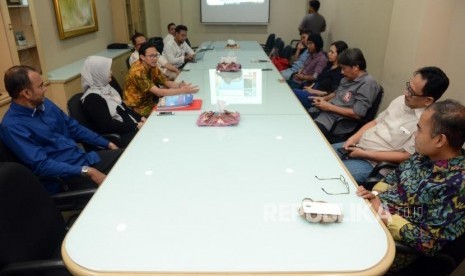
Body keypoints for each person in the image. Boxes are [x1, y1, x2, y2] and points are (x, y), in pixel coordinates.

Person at [357, 99, 465, 271]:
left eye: (420, 129)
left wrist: (383, 215)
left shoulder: (457, 184)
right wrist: (374, 196)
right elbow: (394, 177)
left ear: (439, 140)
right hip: (371, 213)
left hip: (390, 246)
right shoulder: (424, 154)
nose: (415, 134)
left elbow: (429, 243)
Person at [0, 65, 123, 194]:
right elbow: (42, 165)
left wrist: (107, 143)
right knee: (120, 185)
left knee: (129, 158)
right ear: (26, 93)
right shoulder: (13, 126)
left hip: (84, 159)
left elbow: (74, 128)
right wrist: (87, 171)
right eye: (41, 86)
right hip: (66, 178)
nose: (45, 89)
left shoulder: (44, 103)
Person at [333, 67, 449, 183]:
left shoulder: (425, 123)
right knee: (321, 154)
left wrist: (365, 154)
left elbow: (406, 156)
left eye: (412, 92)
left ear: (428, 100)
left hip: (374, 164)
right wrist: (353, 138)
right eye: (408, 86)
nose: (405, 93)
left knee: (333, 174)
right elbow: (375, 122)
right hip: (357, 146)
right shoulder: (400, 100)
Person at [311, 48, 380, 139]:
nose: (342, 72)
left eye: (344, 68)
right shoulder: (347, 78)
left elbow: (357, 114)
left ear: (355, 67)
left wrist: (328, 106)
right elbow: (337, 93)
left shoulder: (367, 84)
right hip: (325, 114)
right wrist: (324, 99)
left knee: (307, 132)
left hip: (336, 123)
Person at [81, 56, 146, 148]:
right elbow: (108, 126)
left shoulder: (107, 88)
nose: (111, 72)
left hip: (131, 127)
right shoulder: (92, 99)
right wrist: (135, 125)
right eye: (107, 70)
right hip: (121, 136)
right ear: (97, 73)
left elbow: (124, 109)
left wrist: (141, 118)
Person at [124, 42, 199, 117]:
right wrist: (182, 91)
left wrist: (179, 85)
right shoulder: (137, 71)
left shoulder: (151, 65)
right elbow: (158, 92)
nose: (155, 58)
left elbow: (165, 82)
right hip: (137, 107)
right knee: (172, 114)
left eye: (156, 55)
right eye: (151, 56)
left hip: (149, 101)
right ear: (142, 57)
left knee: (178, 109)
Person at [292, 40, 348, 110]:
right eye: (329, 51)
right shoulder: (329, 64)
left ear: (340, 55)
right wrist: (310, 87)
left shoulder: (340, 72)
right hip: (313, 89)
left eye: (332, 52)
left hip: (319, 98)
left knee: (293, 93)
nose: (329, 54)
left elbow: (334, 93)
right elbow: (318, 79)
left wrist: (314, 91)